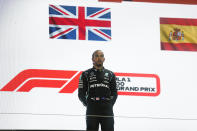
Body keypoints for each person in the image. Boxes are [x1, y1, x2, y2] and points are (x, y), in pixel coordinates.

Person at [78, 50, 118, 131]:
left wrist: (109, 104)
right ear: (92, 59)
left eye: (101, 56)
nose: (99, 58)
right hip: (92, 108)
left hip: (107, 109)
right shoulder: (85, 74)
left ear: (104, 59)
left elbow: (114, 93)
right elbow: (81, 93)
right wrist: (88, 104)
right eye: (96, 56)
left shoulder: (111, 74)